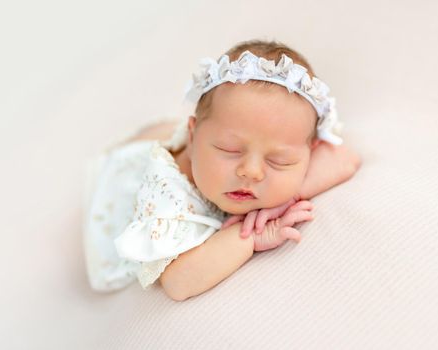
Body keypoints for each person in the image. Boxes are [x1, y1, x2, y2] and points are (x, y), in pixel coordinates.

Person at [83, 39, 362, 301]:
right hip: (123, 190)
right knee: (136, 151)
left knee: (204, 127)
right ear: (193, 139)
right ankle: (135, 148)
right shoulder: (169, 198)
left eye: (279, 161)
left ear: (310, 150)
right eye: (230, 150)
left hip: (201, 140)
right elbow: (179, 283)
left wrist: (291, 196)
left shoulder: (280, 141)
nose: (251, 172)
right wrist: (250, 235)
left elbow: (344, 158)